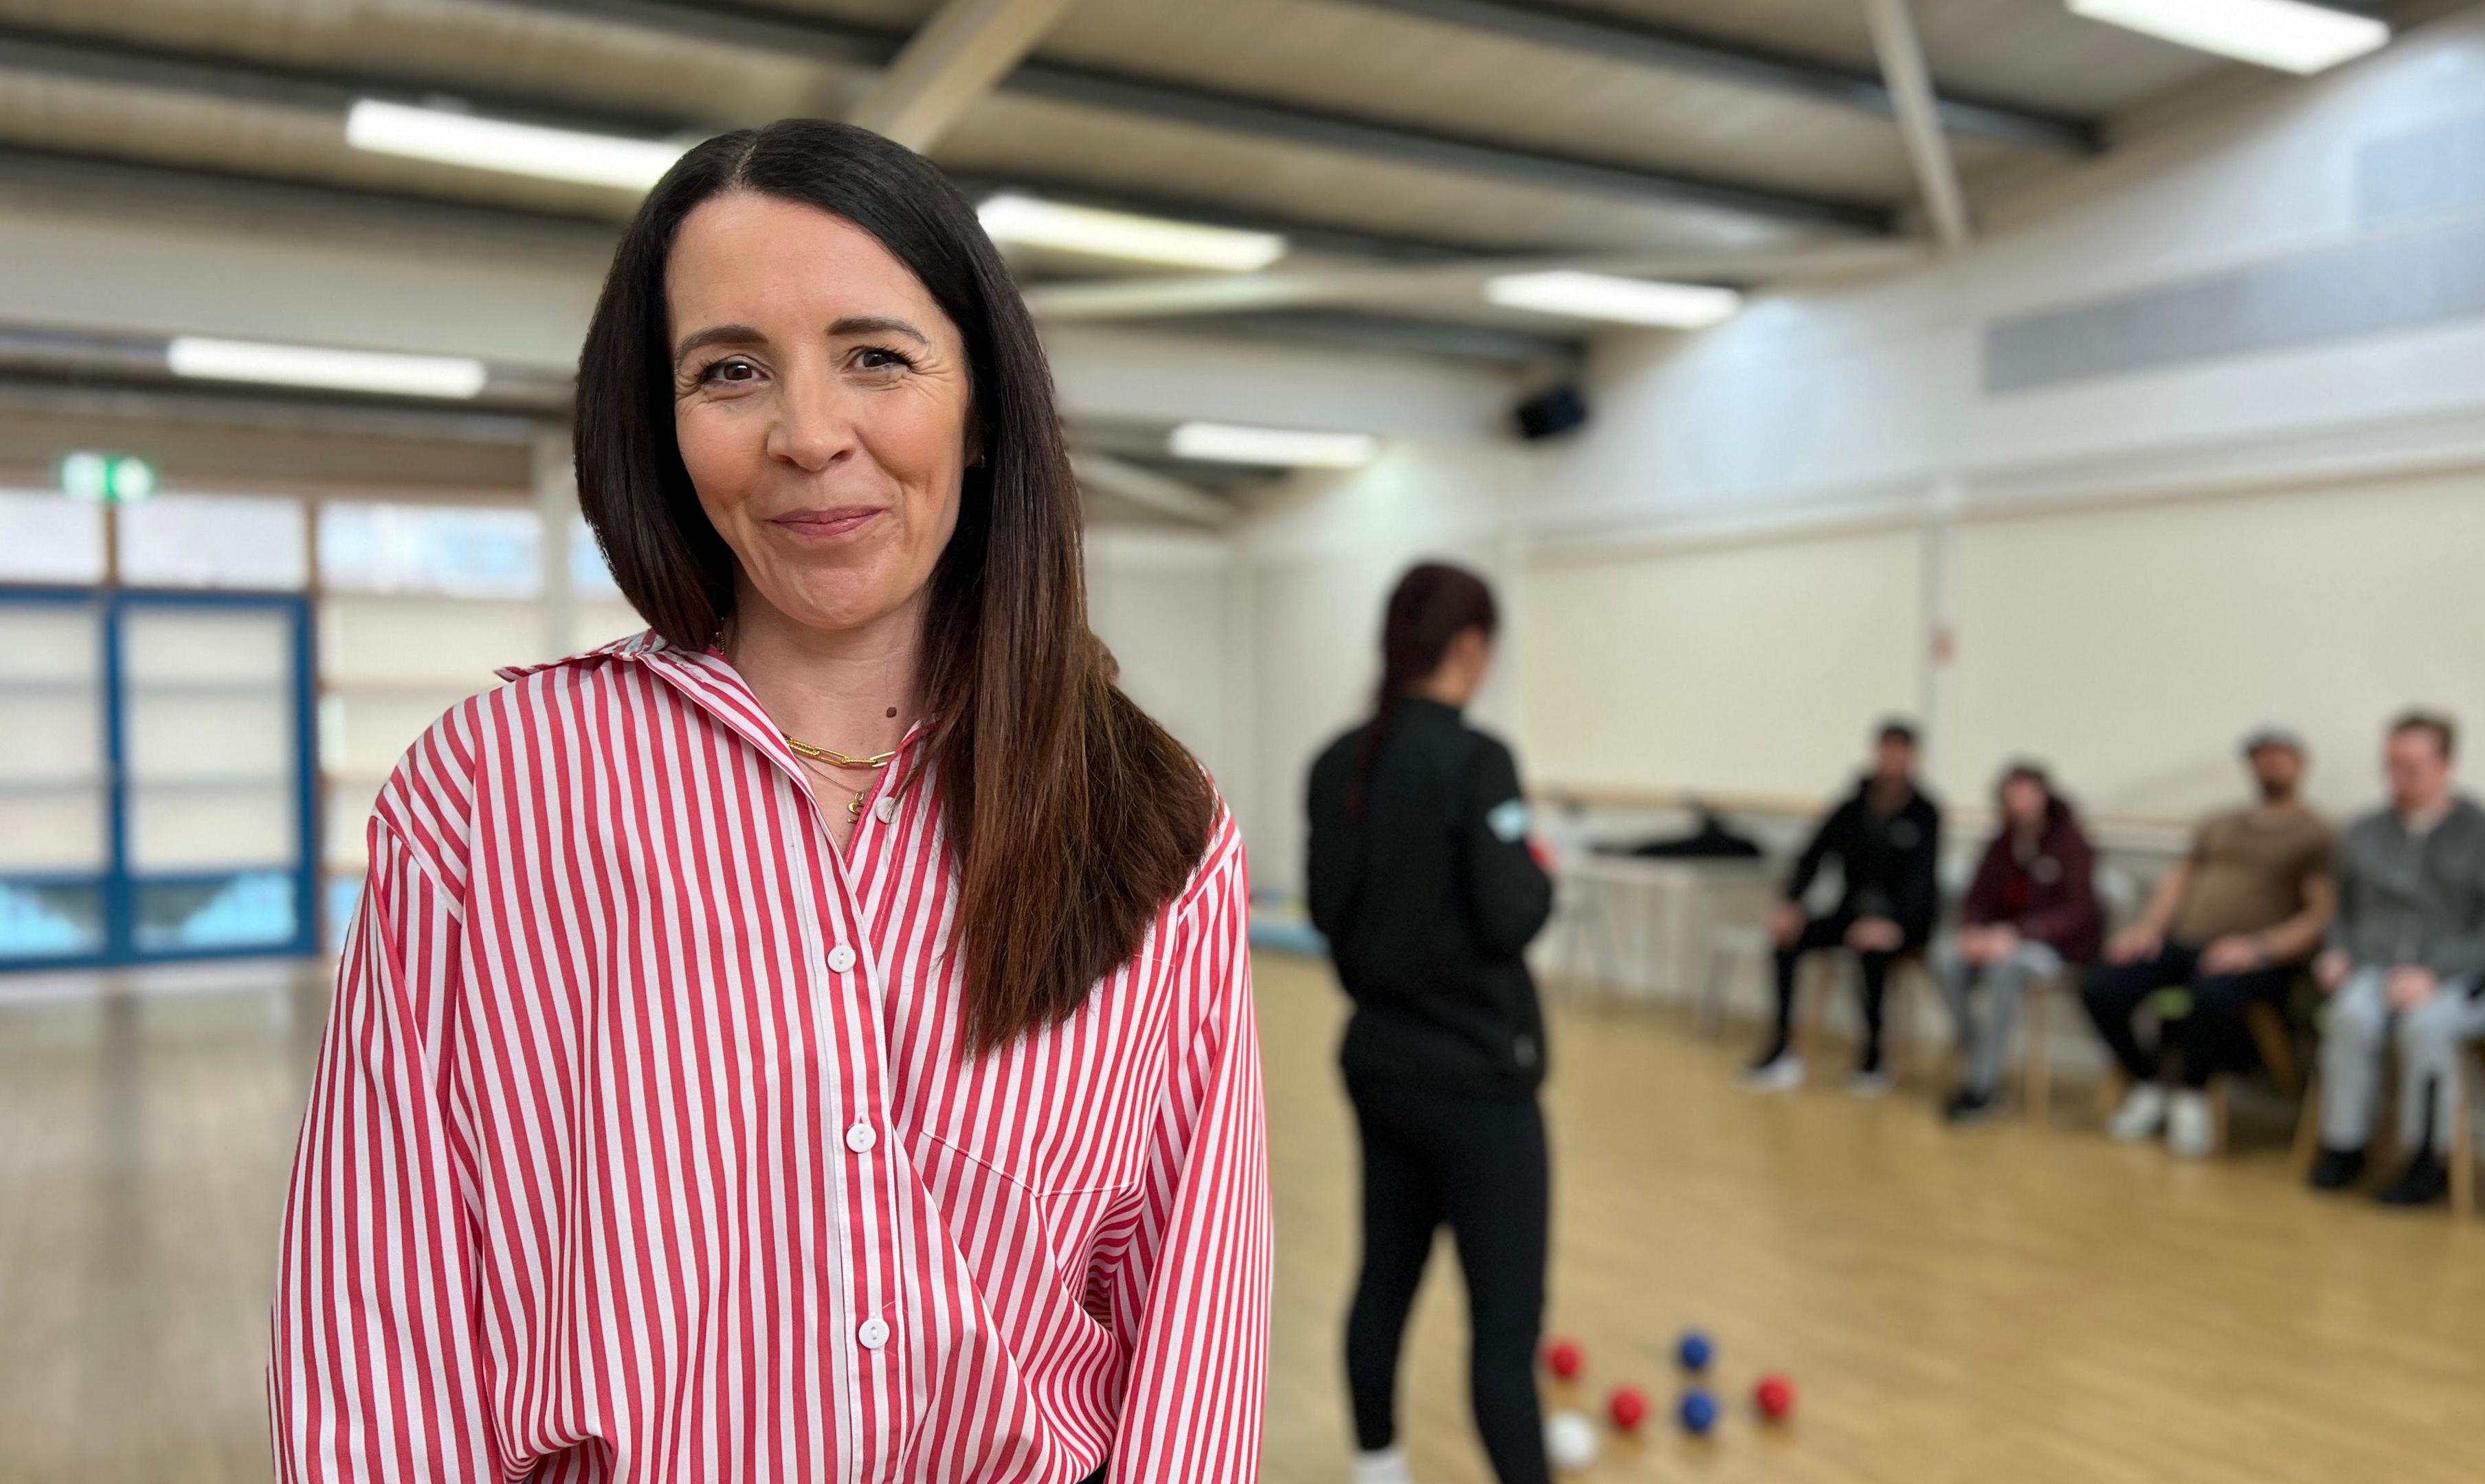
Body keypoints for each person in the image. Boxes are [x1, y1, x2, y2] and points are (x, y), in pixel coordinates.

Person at [271, 120, 1268, 1483]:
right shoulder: (491, 797)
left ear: (982, 411)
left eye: (876, 357)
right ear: (663, 424)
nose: (810, 436)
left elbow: (1193, 1336)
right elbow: (377, 1333)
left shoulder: (1154, 824)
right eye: (730, 371)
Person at [1306, 562, 1555, 1484]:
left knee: (1385, 1280)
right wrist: (1537, 869)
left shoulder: (1341, 762)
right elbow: (1511, 913)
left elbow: (1329, 912)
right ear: (1470, 648)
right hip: (1481, 1085)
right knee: (1505, 1334)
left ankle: (1380, 1468)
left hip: (1381, 1066)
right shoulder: (1477, 760)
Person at [2306, 710, 2485, 1206]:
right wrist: (2337, 953)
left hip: (2458, 975)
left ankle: (2429, 1157)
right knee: (2349, 1017)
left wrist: (2436, 973)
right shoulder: (2364, 831)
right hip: (2375, 964)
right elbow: (2344, 909)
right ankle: (2345, 1145)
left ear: (2445, 764)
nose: (2398, 778)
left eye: (2412, 766)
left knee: (2425, 1027)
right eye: (2391, 765)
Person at [2084, 728, 2334, 1158]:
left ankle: (2192, 1094)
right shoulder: (2221, 822)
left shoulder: (2317, 833)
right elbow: (2178, 878)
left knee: (2213, 994)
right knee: (2102, 985)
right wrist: (2148, 927)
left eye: (2280, 757)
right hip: (2185, 943)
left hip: (2256, 957)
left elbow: (2320, 913)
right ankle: (2147, 1080)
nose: (2271, 765)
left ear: (2300, 764)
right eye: (2262, 757)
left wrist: (2261, 948)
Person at [1741, 719, 1941, 1097]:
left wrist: (1893, 924)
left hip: (1903, 921)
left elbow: (1922, 883)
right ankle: (1782, 1046)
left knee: (1872, 950)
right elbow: (1812, 856)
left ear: (1913, 759)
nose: (1893, 760)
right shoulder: (1852, 806)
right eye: (1887, 751)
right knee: (1788, 939)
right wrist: (1790, 903)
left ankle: (1874, 1056)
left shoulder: (1926, 813)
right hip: (1851, 911)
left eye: (1901, 752)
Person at [1940, 763, 2104, 1122]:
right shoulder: (2000, 845)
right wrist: (1973, 930)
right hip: (2000, 939)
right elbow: (1977, 897)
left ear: (2044, 796)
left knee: (2004, 970)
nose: (2021, 802)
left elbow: (2080, 912)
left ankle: (1984, 1087)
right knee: (1947, 962)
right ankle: (1981, 1052)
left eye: (2028, 792)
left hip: (2053, 947)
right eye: (2013, 794)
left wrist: (2020, 934)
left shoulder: (2071, 844)